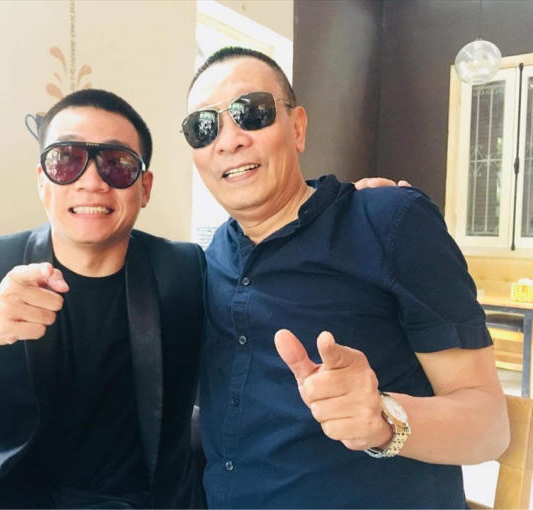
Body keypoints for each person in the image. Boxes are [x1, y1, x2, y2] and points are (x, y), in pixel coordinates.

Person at [182, 47, 509, 508]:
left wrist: (383, 419)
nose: (229, 140)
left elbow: (490, 427)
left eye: (251, 113)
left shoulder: (388, 221)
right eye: (203, 127)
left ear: (297, 127)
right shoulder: (208, 262)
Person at [0, 89, 206, 508]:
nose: (91, 181)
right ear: (43, 181)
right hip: (6, 496)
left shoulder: (184, 270)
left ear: (145, 188)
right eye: (66, 160)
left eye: (117, 164)